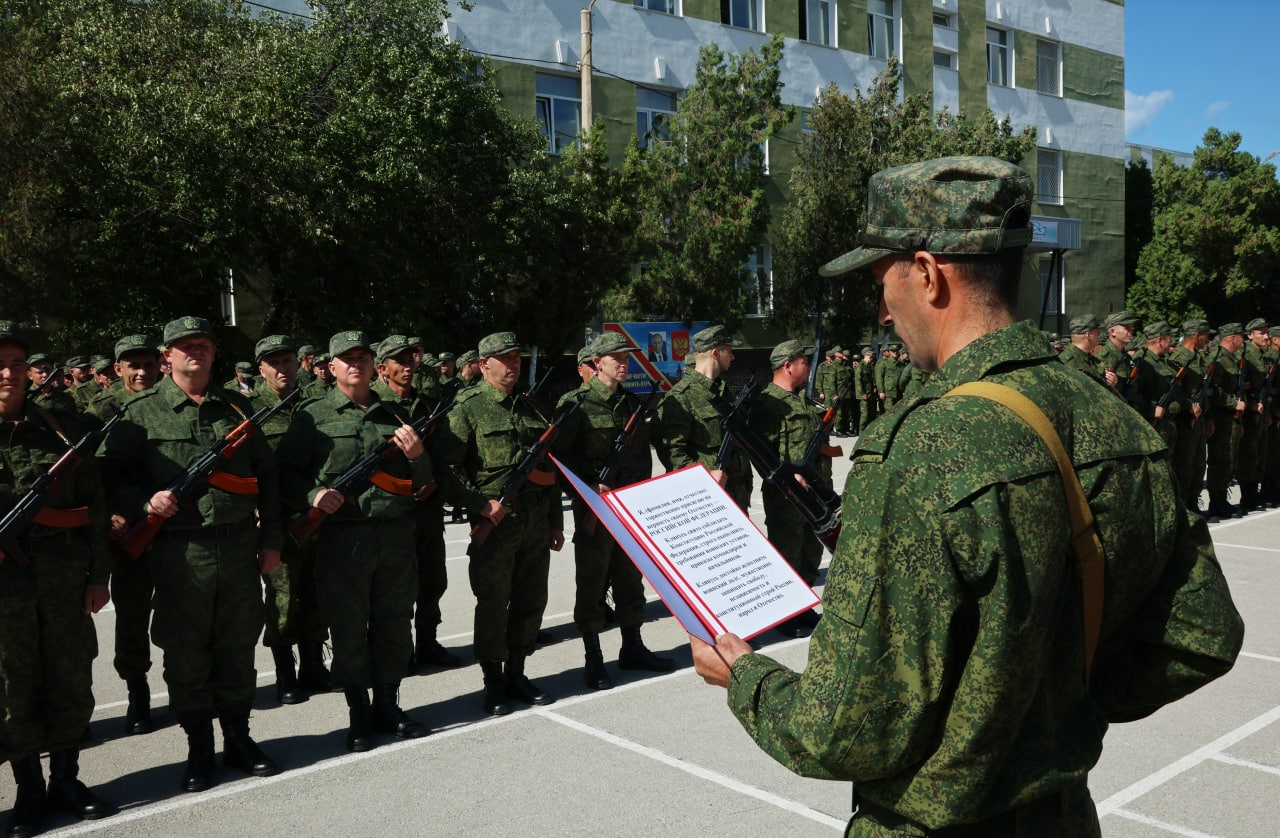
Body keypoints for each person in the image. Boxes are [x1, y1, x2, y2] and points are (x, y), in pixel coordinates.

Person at [689, 156, 1243, 836]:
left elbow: (841, 731)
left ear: (926, 273)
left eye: (880, 280)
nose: (883, 311)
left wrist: (744, 676)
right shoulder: (1110, 417)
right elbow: (1200, 632)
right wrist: (1060, 708)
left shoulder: (920, 448)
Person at [97, 315, 283, 793]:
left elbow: (269, 478)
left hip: (239, 547)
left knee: (238, 646)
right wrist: (144, 502)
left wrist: (272, 540)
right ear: (167, 357)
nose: (194, 353)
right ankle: (199, 746)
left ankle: (238, 739)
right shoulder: (140, 413)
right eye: (184, 347)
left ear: (214, 353)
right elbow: (110, 478)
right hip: (180, 555)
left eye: (202, 344)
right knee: (186, 653)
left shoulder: (238, 409)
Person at [277, 331, 431, 751]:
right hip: (341, 540)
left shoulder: (395, 415)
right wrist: (312, 496)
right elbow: (285, 473)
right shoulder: (313, 416)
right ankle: (358, 712)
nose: (356, 365)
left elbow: (424, 484)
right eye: (347, 359)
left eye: (363, 357)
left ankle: (388, 704)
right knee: (348, 628)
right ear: (330, 367)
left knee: (394, 623)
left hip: (395, 537)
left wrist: (417, 455)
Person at [0, 322, 115, 835]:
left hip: (66, 577)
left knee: (71, 676)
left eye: (18, 364)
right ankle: (29, 787)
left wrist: (98, 575)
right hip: (5, 591)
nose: (8, 374)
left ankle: (67, 778)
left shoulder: (62, 430)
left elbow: (93, 508)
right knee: (12, 686)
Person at [433, 332, 565, 716]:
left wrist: (556, 522)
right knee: (493, 604)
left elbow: (548, 469)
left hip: (536, 524)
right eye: (504, 359)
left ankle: (518, 673)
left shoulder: (531, 407)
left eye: (517, 358)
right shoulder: (467, 408)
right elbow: (446, 470)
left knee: (530, 601)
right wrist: (479, 503)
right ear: (484, 363)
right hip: (496, 526)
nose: (513, 365)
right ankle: (493, 681)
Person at [553, 332, 674, 691]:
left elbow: (641, 458)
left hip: (629, 507)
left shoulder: (633, 403)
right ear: (596, 363)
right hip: (595, 507)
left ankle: (633, 647)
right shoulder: (575, 404)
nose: (624, 363)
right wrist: (587, 488)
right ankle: (593, 657)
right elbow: (557, 459)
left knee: (629, 579)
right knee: (591, 582)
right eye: (616, 358)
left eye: (627, 358)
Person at [247, 334, 335, 705]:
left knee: (316, 592)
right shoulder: (249, 410)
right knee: (282, 599)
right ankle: (285, 673)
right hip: (278, 520)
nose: (282, 368)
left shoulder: (316, 405)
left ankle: (314, 666)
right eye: (274, 363)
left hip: (317, 517)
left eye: (287, 361)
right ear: (261, 369)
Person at [371, 335, 462, 670]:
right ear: (383, 368)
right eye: (399, 361)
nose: (407, 367)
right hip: (390, 512)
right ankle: (398, 650)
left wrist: (433, 480)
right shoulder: (372, 404)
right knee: (394, 587)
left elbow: (443, 455)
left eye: (410, 360)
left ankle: (427, 642)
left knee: (432, 579)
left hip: (426, 509)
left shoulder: (427, 405)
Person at [87, 334, 163, 736]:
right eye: (131, 365)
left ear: (159, 364)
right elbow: (90, 474)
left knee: (184, 612)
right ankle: (138, 693)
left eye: (147, 364)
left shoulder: (171, 400)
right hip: (129, 529)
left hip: (173, 525)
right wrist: (111, 515)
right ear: (117, 370)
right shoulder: (101, 410)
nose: (140, 372)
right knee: (133, 613)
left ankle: (191, 689)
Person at [746, 339, 830, 638]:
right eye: (804, 361)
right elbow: (760, 450)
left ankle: (802, 605)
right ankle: (784, 612)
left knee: (810, 548)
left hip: (815, 489)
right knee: (787, 551)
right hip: (786, 493)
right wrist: (784, 477)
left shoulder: (800, 399)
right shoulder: (768, 403)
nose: (809, 366)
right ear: (788, 365)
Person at [654, 325, 753, 511]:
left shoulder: (722, 392)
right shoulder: (682, 395)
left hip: (736, 496)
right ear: (715, 353)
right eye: (729, 351)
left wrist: (746, 487)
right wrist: (705, 475)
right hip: (705, 500)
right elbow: (671, 453)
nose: (733, 357)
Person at [1057, 314, 1109, 387]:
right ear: (1088, 335)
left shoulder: (1091, 359)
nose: (1099, 334)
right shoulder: (1066, 363)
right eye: (1097, 331)